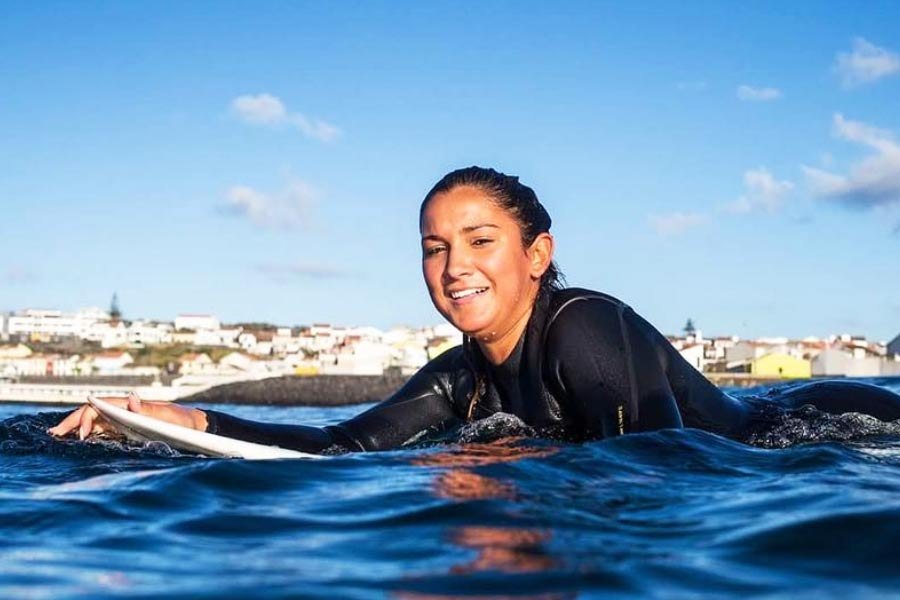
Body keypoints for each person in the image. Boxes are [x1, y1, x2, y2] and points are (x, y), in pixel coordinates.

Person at [49, 167, 900, 452]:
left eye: (480, 240)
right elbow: (339, 445)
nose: (453, 267)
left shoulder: (582, 327)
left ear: (537, 254)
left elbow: (664, 462)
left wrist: (525, 477)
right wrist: (185, 417)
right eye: (433, 246)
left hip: (823, 423)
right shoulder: (462, 378)